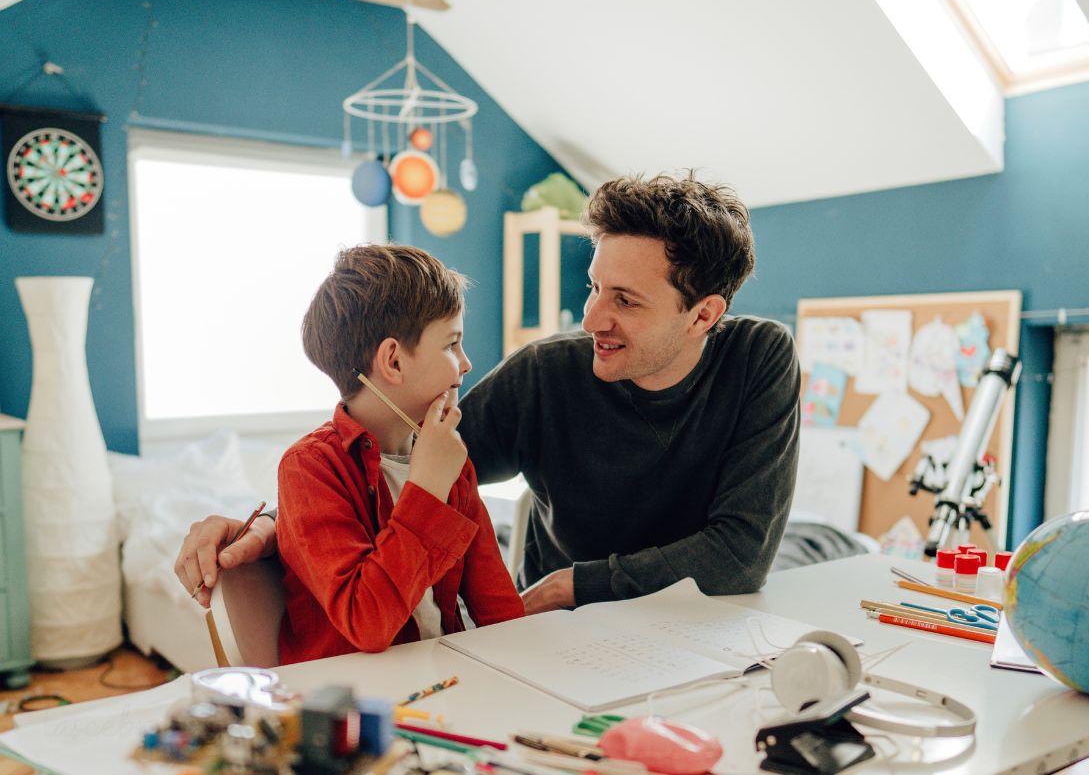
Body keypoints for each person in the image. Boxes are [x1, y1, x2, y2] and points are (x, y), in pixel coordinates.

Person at [176, 173, 801, 616]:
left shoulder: (759, 360)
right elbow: (398, 467)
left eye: (625, 301)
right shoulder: (547, 375)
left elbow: (739, 557)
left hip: (691, 622)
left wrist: (573, 585)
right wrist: (267, 527)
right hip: (564, 630)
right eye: (594, 287)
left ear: (703, 315)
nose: (590, 319)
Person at [272, 245, 522, 663]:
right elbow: (367, 622)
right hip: (357, 701)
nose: (466, 363)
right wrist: (426, 489)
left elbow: (498, 606)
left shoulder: (449, 457)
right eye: (451, 345)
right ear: (392, 360)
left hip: (438, 681)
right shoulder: (310, 468)